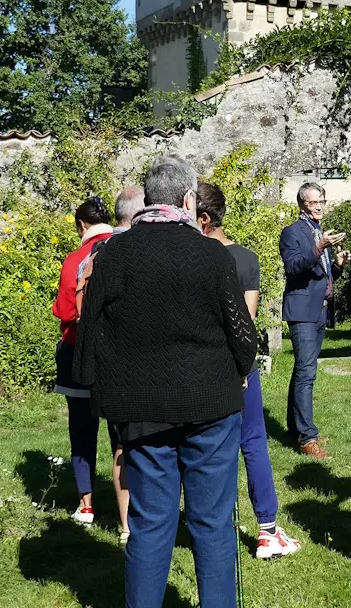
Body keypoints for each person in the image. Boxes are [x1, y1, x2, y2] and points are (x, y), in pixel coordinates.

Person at [74, 157, 259, 608]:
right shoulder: (212, 255)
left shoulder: (111, 254)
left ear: (147, 199)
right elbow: (243, 336)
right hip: (210, 406)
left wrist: (100, 392)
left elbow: (88, 336)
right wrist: (238, 373)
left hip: (140, 411)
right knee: (212, 524)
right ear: (188, 199)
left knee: (150, 522)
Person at [196, 182, 302, 559]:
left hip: (200, 368)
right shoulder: (246, 259)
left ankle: (214, 524)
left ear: (203, 219)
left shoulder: (191, 258)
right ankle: (267, 529)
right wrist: (242, 366)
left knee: (209, 449)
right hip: (238, 367)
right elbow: (247, 321)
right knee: (253, 442)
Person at [50, 198, 129, 539]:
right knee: (121, 434)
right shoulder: (124, 248)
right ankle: (127, 506)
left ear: (81, 225)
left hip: (79, 352)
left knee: (82, 430)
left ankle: (86, 504)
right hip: (117, 355)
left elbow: (66, 311)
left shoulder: (74, 260)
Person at [279, 182, 348, 459]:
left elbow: (321, 277)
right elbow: (294, 268)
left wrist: (338, 265)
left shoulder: (319, 231)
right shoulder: (292, 233)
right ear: (301, 205)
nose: (318, 206)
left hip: (319, 310)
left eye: (322, 201)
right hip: (302, 312)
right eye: (312, 203)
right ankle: (307, 438)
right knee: (306, 373)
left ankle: (295, 427)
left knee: (302, 371)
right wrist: (319, 246)